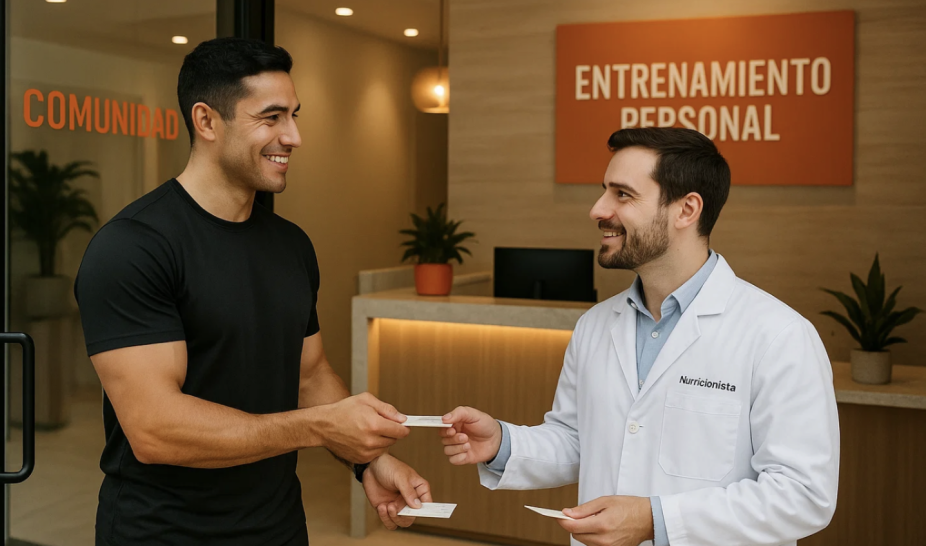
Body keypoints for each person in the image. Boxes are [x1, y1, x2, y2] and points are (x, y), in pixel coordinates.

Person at [74, 37, 429, 546]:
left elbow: (309, 374)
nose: (294, 136)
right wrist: (322, 428)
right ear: (207, 121)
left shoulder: (290, 245)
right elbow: (154, 428)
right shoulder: (133, 248)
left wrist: (370, 459)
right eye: (272, 117)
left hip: (279, 527)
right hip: (165, 534)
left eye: (294, 115)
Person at [439, 127, 840, 546]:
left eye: (622, 194)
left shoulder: (779, 336)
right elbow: (579, 440)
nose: (598, 209)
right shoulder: (595, 325)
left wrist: (656, 520)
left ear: (686, 210)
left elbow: (802, 495)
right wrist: (504, 443)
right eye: (603, 191)